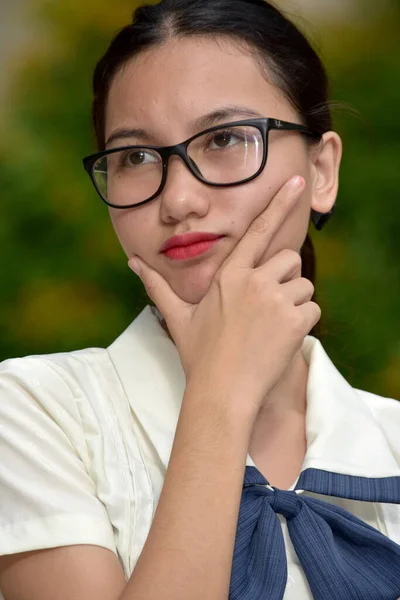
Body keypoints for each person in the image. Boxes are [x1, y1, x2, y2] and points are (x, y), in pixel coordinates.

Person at [0, 0, 399, 598]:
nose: (179, 199)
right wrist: (221, 395)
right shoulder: (38, 414)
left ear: (322, 170)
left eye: (225, 139)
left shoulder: (391, 440)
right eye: (135, 157)